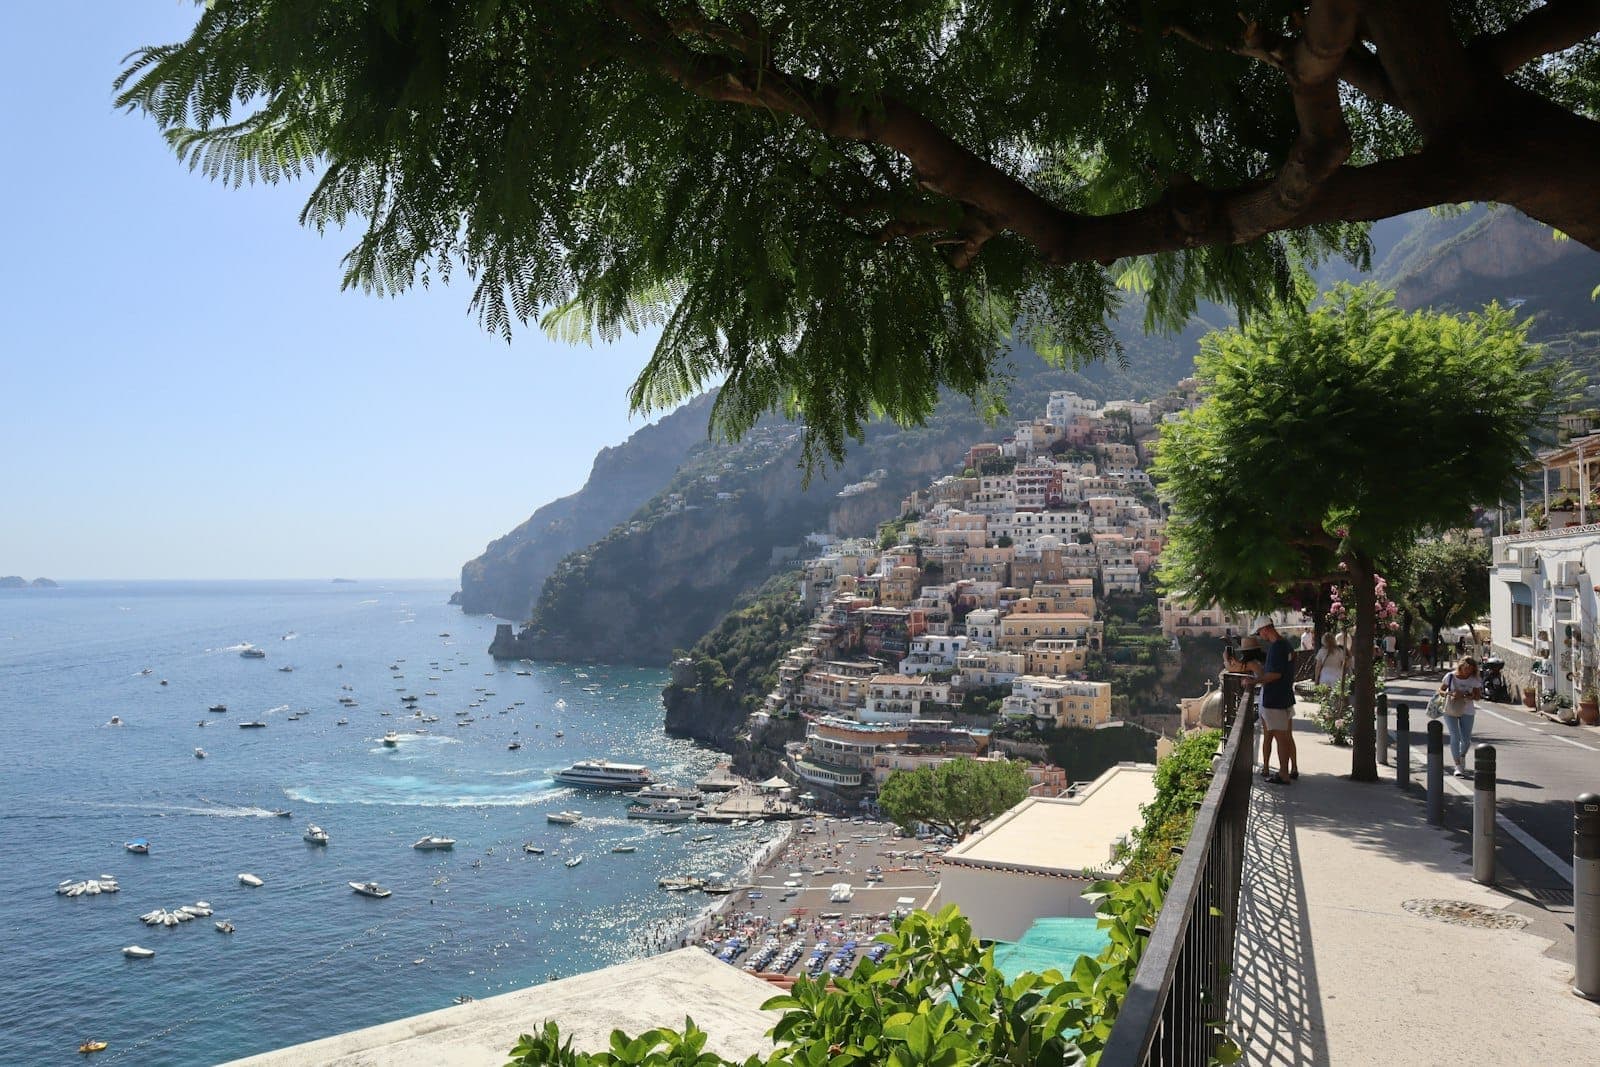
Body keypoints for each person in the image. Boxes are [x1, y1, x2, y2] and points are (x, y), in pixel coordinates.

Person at [1253, 616, 1298, 783]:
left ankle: (1283, 774)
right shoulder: (1285, 645)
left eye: (1259, 631)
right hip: (1285, 696)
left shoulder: (1276, 647)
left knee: (1280, 738)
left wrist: (1254, 681)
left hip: (1275, 698)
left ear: (1265, 628)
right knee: (1286, 737)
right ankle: (1288, 770)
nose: (1259, 635)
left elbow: (1275, 674)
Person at [1439, 657, 1484, 777]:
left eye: (1470, 669)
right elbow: (1440, 691)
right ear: (1461, 666)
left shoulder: (1474, 679)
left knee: (1466, 740)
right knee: (1455, 736)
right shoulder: (1450, 676)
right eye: (1466, 669)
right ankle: (1458, 766)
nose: (1468, 671)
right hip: (1451, 709)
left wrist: (1469, 696)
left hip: (1467, 710)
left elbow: (1478, 697)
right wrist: (1451, 693)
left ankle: (1462, 755)